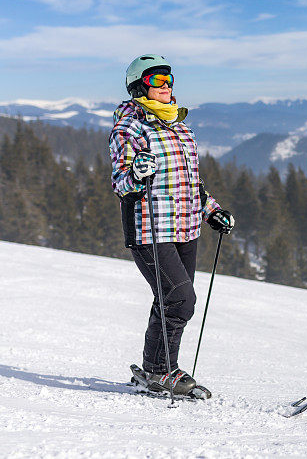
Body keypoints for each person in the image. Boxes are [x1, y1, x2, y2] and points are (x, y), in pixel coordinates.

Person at [109, 54, 235, 395]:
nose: (166, 86)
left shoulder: (180, 125)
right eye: (157, 80)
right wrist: (136, 173)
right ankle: (164, 372)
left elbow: (190, 183)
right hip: (150, 229)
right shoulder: (129, 128)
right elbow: (121, 183)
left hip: (185, 229)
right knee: (181, 300)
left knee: (170, 301)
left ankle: (155, 370)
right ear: (139, 87)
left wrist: (211, 210)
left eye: (169, 78)